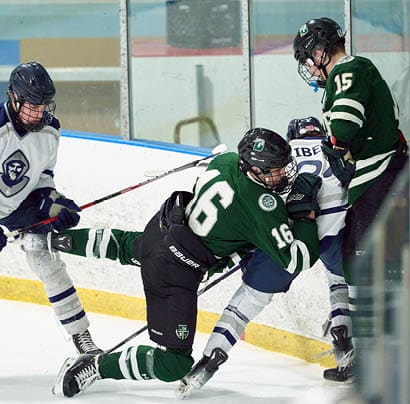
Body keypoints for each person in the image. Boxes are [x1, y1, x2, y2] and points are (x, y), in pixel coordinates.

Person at [51, 127, 323, 398]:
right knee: (174, 363)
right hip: (174, 275)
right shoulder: (262, 206)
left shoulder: (225, 161)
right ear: (254, 169)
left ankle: (53, 239)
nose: (283, 174)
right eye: (275, 169)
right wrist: (304, 215)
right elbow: (298, 259)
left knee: (126, 246)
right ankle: (96, 367)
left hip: (163, 231)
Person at [178, 117, 351, 398]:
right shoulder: (335, 147)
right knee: (339, 280)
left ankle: (210, 359)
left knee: (249, 300)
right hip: (334, 230)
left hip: (287, 235)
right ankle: (344, 342)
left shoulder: (281, 155)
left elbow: (264, 198)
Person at [293, 17, 408, 380]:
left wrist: (335, 145)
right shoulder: (351, 73)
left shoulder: (350, 69)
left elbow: (344, 123)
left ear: (321, 49)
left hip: (383, 177)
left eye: (309, 57)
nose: (309, 66)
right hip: (379, 179)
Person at [0, 61, 102, 355]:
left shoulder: (50, 130)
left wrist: (51, 203)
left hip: (20, 208)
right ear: (14, 97)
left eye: (43, 106)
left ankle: (82, 337)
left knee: (48, 262)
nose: (39, 113)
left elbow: (43, 176)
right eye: (32, 106)